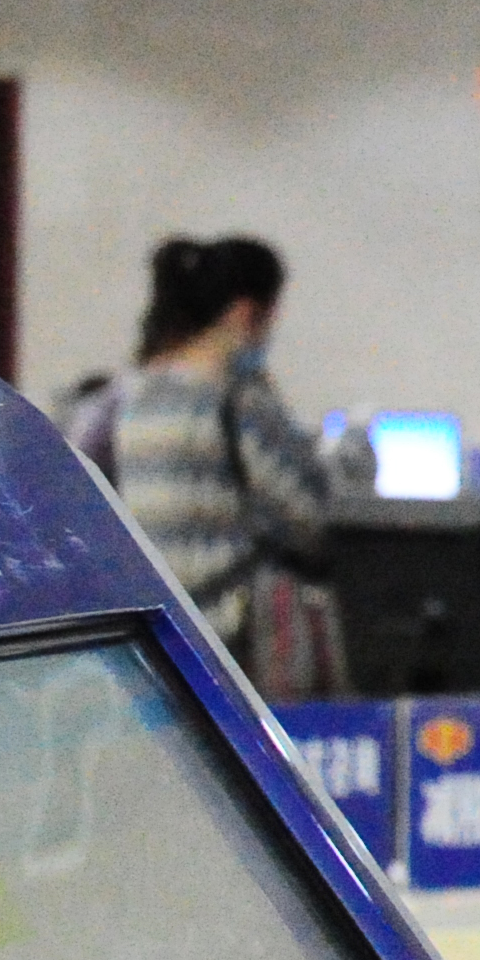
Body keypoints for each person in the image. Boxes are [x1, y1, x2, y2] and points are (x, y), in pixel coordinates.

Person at [111, 236, 336, 689]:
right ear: (244, 314)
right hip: (234, 643)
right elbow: (309, 519)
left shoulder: (137, 397)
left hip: (163, 641)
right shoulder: (237, 401)